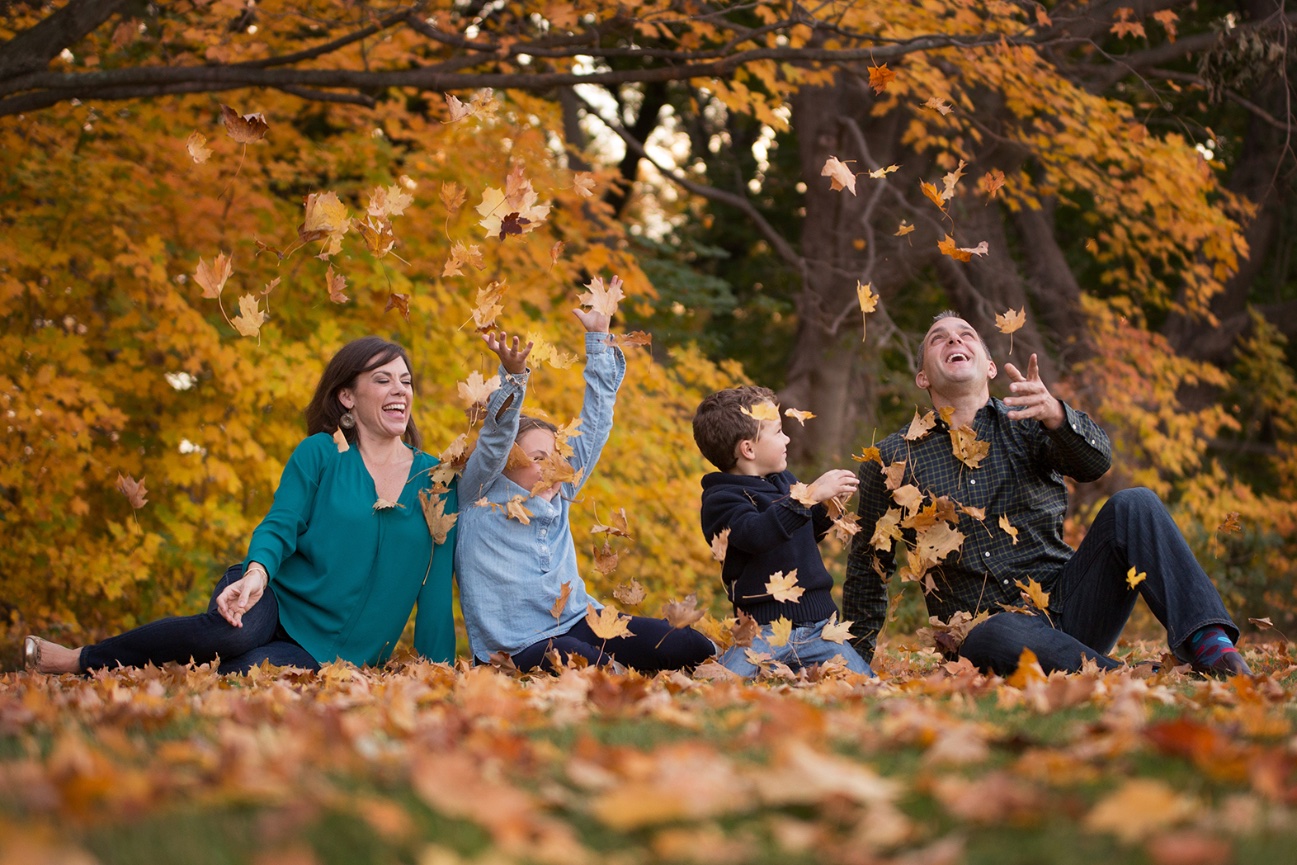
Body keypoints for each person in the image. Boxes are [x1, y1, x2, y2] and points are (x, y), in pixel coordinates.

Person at [843, 311, 1251, 676]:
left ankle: (1212, 647)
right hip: (988, 636)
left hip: (1071, 605)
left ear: (988, 367)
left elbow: (1096, 466)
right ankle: (1124, 675)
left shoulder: (1030, 419)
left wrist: (1057, 416)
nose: (954, 340)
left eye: (966, 334)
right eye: (939, 338)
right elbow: (869, 566)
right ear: (923, 378)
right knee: (992, 632)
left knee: (1135, 502)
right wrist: (856, 663)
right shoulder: (894, 458)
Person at [23, 336, 458, 675]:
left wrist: (437, 673)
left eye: (405, 381)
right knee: (232, 636)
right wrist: (256, 573)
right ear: (347, 397)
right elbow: (280, 524)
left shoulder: (434, 480)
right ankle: (80, 659)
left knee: (248, 670)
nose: (399, 390)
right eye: (382, 380)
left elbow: (435, 589)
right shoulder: (320, 454)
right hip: (272, 597)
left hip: (336, 654)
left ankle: (155, 669)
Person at [455, 308, 714, 673]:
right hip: (515, 646)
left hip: (578, 619)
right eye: (539, 457)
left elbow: (595, 422)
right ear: (507, 462)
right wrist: (513, 377)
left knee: (687, 643)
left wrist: (599, 341)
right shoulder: (479, 492)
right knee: (589, 663)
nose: (554, 466)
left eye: (557, 456)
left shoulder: (561, 491)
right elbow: (496, 437)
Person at [693, 385, 874, 677]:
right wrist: (811, 494)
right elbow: (756, 534)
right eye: (778, 432)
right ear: (748, 449)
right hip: (761, 633)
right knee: (720, 685)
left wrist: (827, 508)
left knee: (868, 686)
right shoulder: (720, 499)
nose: (787, 437)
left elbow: (800, 530)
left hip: (820, 629)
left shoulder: (783, 480)